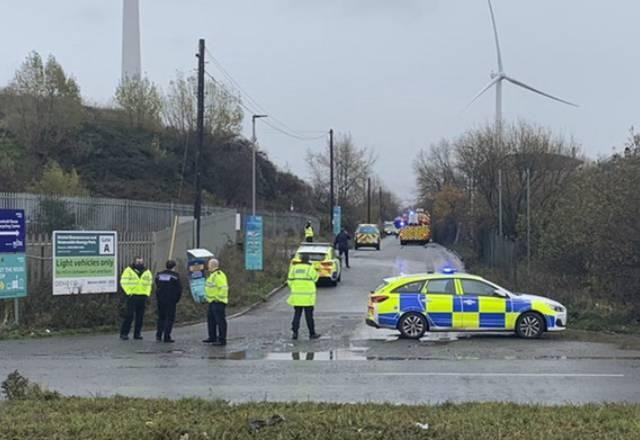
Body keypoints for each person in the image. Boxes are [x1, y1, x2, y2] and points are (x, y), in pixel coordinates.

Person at [287, 253, 320, 340]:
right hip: (308, 297)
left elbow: (289, 281)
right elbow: (316, 278)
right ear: (308, 260)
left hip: (297, 296)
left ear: (300, 259)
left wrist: (294, 288)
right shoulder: (310, 268)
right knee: (309, 316)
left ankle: (295, 333)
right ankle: (312, 333)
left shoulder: (294, 268)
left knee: (297, 314)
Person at [120, 256, 153, 341]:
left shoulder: (147, 272)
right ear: (134, 262)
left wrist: (147, 293)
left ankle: (137, 334)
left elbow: (149, 283)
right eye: (138, 262)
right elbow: (123, 282)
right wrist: (129, 292)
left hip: (142, 296)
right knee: (129, 315)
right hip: (132, 296)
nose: (140, 263)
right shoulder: (128, 270)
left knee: (140, 317)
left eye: (141, 262)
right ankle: (124, 333)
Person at [154, 260, 182, 343]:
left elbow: (157, 284)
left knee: (161, 317)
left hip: (160, 299)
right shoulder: (175, 276)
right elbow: (179, 289)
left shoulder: (159, 275)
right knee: (169, 318)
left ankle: (158, 335)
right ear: (174, 267)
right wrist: (176, 299)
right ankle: (167, 336)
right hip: (171, 300)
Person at [203, 258, 229, 346]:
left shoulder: (218, 275)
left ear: (212, 265)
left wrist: (218, 298)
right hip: (212, 301)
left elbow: (224, 288)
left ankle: (222, 339)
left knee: (220, 321)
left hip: (218, 302)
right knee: (211, 320)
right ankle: (212, 337)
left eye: (209, 265)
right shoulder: (212, 275)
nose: (207, 266)